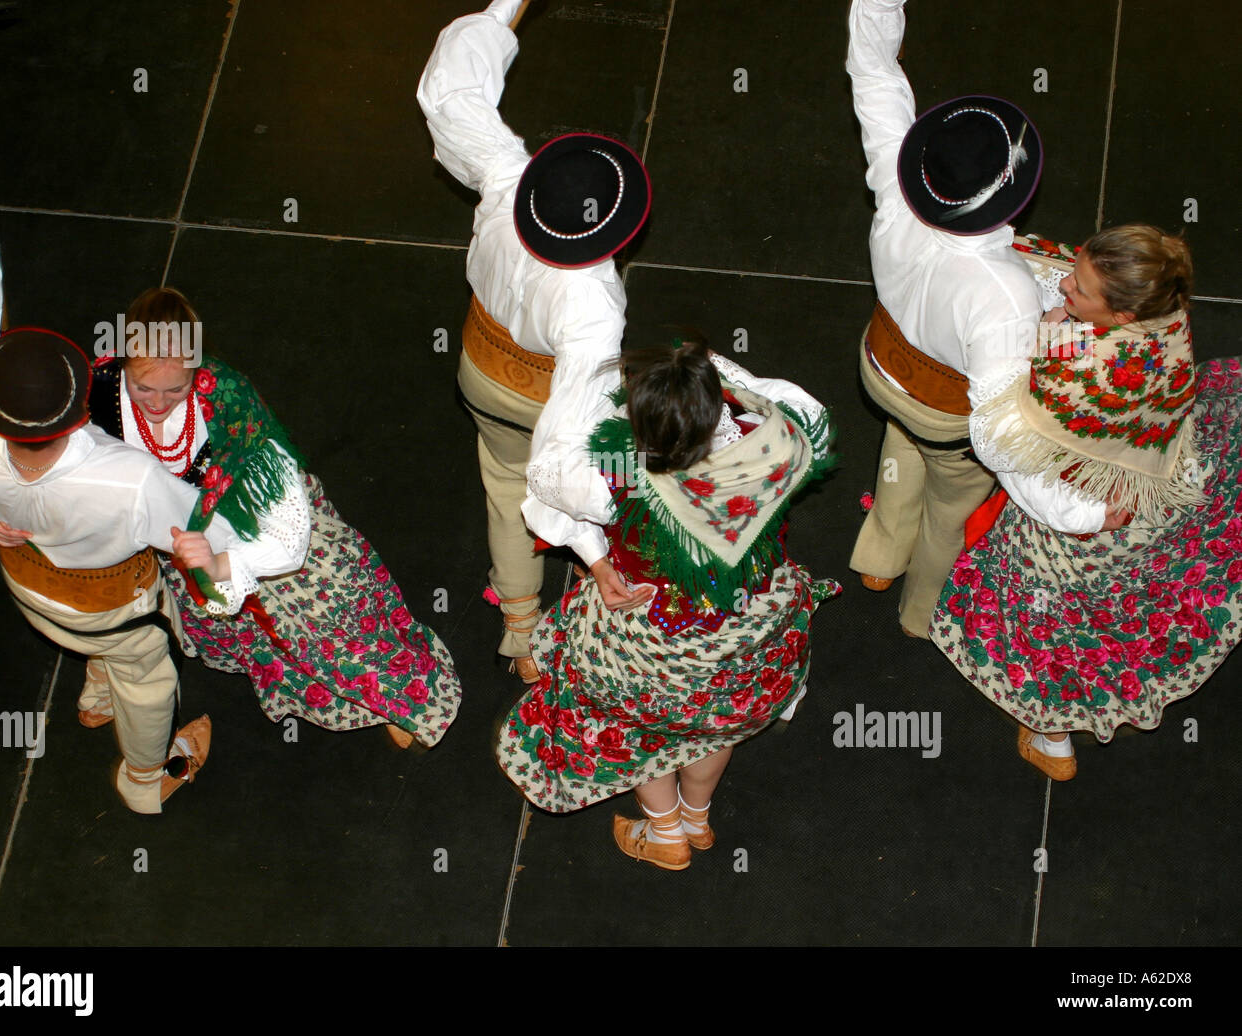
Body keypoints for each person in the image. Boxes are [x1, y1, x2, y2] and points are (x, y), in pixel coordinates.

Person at [0, 113, 269, 814]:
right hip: (107, 605)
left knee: (95, 648)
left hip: (28, 583)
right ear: (76, 408)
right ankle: (146, 780)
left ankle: (92, 693)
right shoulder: (127, 480)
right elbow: (207, 539)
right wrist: (214, 554)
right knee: (149, 680)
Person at [0, 286, 463, 749]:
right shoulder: (91, 391)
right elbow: (28, 453)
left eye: (175, 388)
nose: (155, 402)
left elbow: (289, 535)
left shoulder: (228, 399)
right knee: (140, 612)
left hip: (252, 528)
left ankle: (395, 697)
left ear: (197, 369)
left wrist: (225, 565)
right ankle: (110, 669)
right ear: (122, 363)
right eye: (143, 386)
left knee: (330, 616)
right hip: (168, 546)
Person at [496, 342, 838, 871]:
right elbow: (800, 405)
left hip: (653, 633)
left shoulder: (613, 470)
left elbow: (543, 486)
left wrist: (598, 560)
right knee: (711, 727)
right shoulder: (777, 447)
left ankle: (665, 833)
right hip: (750, 628)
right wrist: (708, 372)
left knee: (644, 733)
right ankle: (697, 819)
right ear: (717, 409)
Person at [845, 0, 1121, 640]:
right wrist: (1080, 513)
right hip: (947, 413)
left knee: (898, 445)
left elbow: (873, 72)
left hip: (880, 365)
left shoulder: (896, 179)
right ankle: (920, 614)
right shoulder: (1006, 293)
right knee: (950, 509)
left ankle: (880, 552)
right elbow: (1001, 440)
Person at [929, 225, 1230, 781]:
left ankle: (1052, 737)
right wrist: (1059, 326)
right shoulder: (1164, 313)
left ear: (1117, 317)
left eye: (1081, 287)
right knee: (1130, 617)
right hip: (1156, 486)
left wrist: (1090, 515)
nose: (1066, 281)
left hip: (1084, 525)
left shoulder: (1070, 388)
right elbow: (1070, 311)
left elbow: (1026, 477)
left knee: (1056, 635)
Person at [417, 0, 653, 684]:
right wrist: (590, 544)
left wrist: (504, 8)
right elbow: (561, 452)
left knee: (501, 484)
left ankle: (520, 627)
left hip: (478, 365)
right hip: (541, 394)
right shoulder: (596, 305)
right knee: (550, 477)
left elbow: (451, 95)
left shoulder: (508, 179)